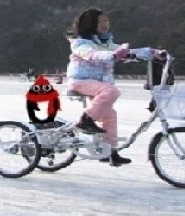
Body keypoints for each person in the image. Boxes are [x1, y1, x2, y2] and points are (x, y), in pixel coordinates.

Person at [66, 8, 159, 166]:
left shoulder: (106, 43)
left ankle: (109, 152)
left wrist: (153, 53)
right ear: (91, 24)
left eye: (106, 21)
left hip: (98, 83)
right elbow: (92, 54)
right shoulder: (80, 42)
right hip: (81, 81)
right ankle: (86, 120)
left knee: (110, 114)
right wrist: (114, 55)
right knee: (111, 91)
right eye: (100, 22)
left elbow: (129, 52)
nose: (105, 24)